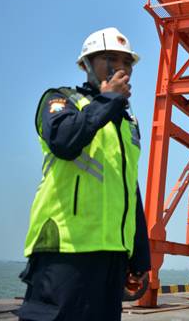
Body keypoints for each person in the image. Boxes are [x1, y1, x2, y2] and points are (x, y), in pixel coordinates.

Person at [17, 27, 151, 321]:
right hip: (65, 251)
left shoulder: (127, 124)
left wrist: (140, 256)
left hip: (112, 256)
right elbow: (64, 142)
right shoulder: (60, 101)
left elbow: (129, 188)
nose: (121, 68)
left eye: (127, 62)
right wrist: (108, 101)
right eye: (110, 59)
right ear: (86, 64)